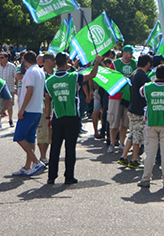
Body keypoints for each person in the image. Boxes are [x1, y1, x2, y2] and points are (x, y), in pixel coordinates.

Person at [44, 53, 101, 185]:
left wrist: (48, 118)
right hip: (72, 116)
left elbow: (48, 102)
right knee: (70, 148)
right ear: (67, 63)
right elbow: (92, 75)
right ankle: (69, 176)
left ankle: (51, 177)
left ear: (56, 63)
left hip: (57, 116)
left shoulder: (49, 81)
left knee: (55, 147)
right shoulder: (73, 76)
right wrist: (96, 62)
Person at [12, 51, 46, 177]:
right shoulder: (40, 71)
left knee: (19, 136)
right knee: (30, 138)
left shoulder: (31, 72)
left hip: (29, 110)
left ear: (25, 61)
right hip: (37, 108)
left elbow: (29, 91)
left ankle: (36, 162)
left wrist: (22, 109)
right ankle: (28, 166)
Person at [118, 54, 152, 169]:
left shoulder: (134, 73)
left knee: (132, 133)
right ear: (147, 63)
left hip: (132, 107)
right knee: (137, 135)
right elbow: (149, 88)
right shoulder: (142, 76)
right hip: (139, 109)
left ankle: (123, 157)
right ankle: (134, 159)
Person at [107, 45, 136, 153]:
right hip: (116, 95)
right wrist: (121, 77)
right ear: (124, 53)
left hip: (129, 96)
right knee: (114, 121)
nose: (131, 55)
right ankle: (112, 142)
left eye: (132, 53)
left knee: (125, 122)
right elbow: (110, 78)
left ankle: (122, 143)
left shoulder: (135, 64)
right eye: (129, 53)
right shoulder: (115, 64)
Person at [36, 52, 55, 165]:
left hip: (55, 108)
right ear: (47, 61)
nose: (55, 63)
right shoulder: (39, 74)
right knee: (43, 132)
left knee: (52, 134)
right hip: (42, 107)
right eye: (53, 60)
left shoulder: (56, 74)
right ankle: (43, 157)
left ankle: (48, 155)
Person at [0, 52, 17, 127]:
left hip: (10, 89)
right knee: (0, 106)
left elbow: (16, 77)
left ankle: (10, 120)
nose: (0, 59)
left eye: (2, 58)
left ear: (6, 58)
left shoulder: (12, 66)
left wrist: (17, 88)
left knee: (9, 106)